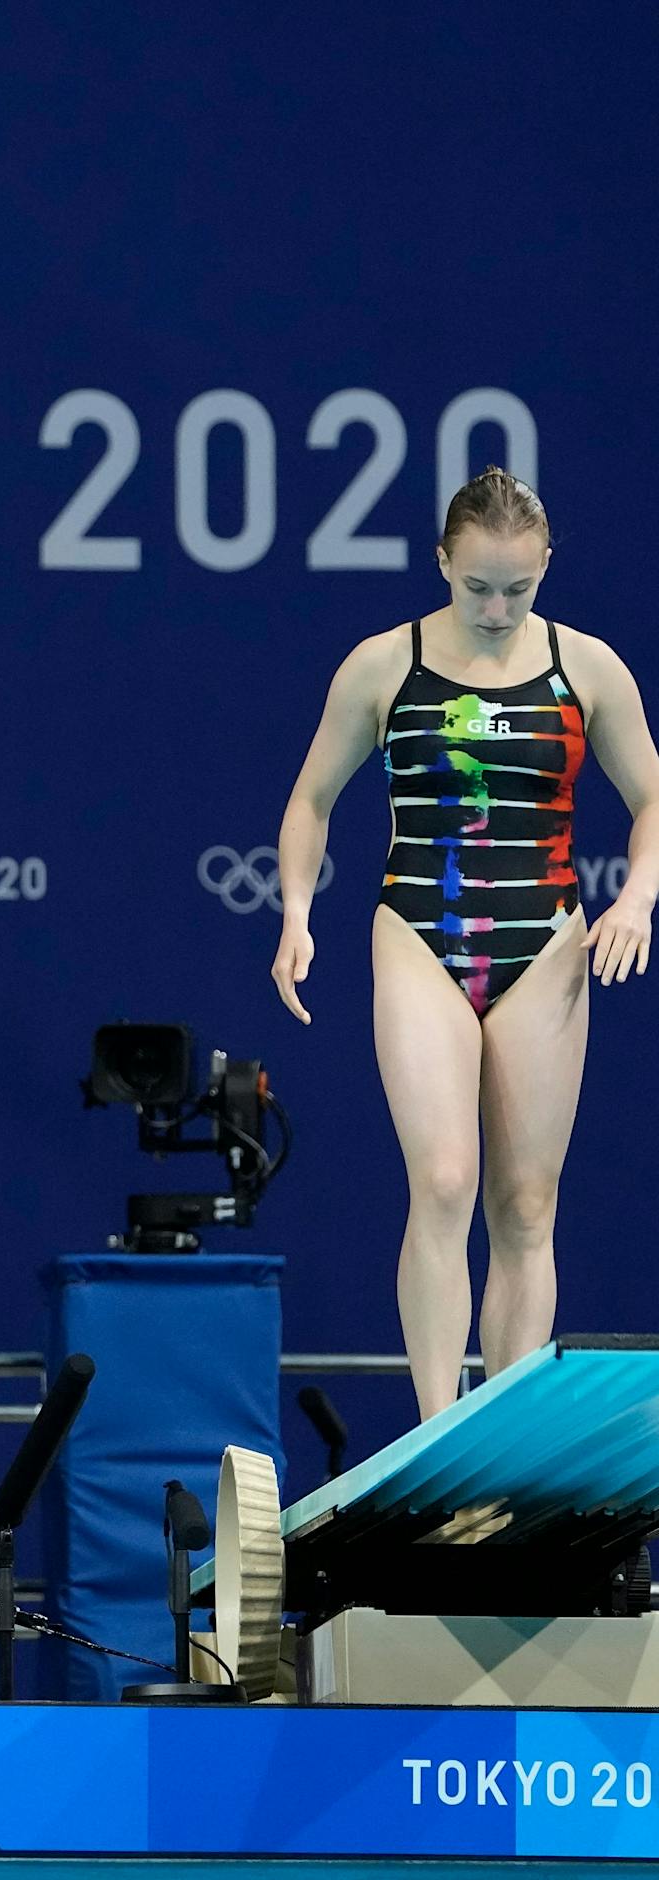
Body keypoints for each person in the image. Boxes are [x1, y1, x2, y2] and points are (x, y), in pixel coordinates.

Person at [271, 467, 659, 1421]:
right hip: (419, 931)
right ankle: (439, 1436)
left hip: (548, 943)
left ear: (545, 570)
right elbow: (310, 801)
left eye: (517, 590)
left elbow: (653, 798)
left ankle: (505, 1442)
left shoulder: (589, 668)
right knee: (444, 1179)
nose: (495, 608)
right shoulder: (383, 665)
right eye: (476, 585)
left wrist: (638, 899)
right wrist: (294, 913)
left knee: (525, 1208)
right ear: (442, 562)